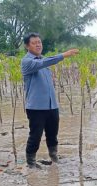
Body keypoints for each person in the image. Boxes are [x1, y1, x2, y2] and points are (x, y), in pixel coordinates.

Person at [21, 32, 79, 168]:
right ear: (27, 46)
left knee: (53, 135)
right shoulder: (28, 62)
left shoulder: (43, 62)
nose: (38, 45)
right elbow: (44, 62)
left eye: (39, 42)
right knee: (35, 136)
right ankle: (31, 163)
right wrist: (63, 55)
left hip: (52, 106)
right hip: (36, 107)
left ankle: (54, 158)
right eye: (34, 43)